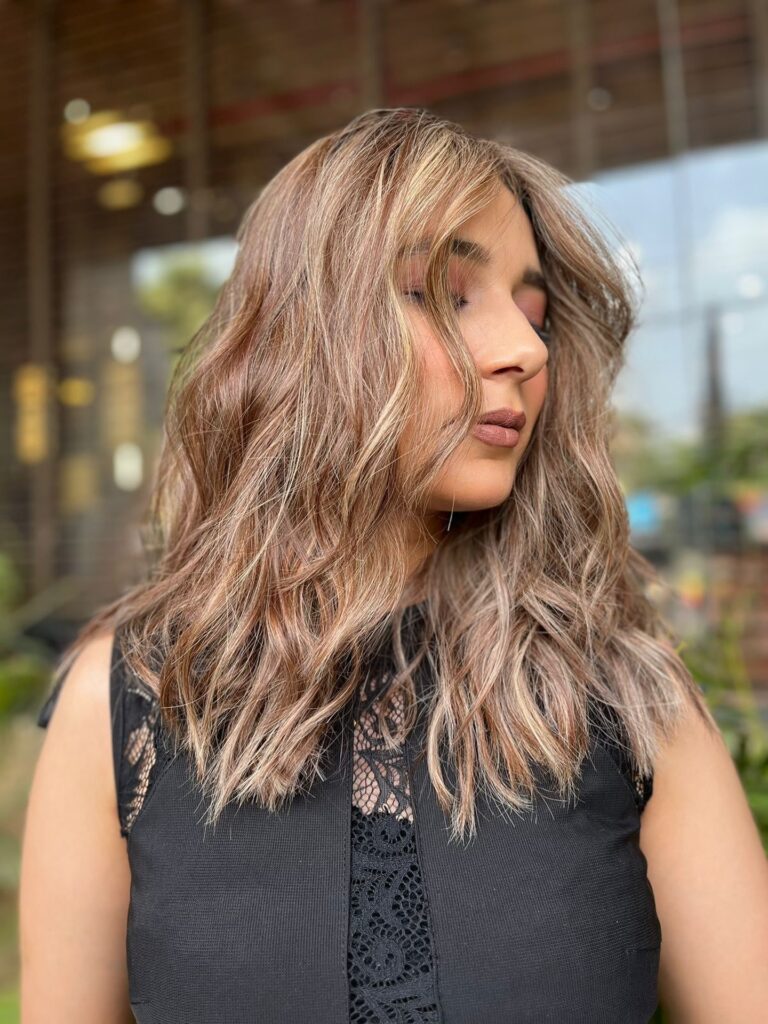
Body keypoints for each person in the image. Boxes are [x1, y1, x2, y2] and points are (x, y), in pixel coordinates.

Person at [19, 107, 768, 1023]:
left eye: (533, 314)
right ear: (301, 338)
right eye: (445, 294)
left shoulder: (626, 694)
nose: (526, 351)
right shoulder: (125, 700)